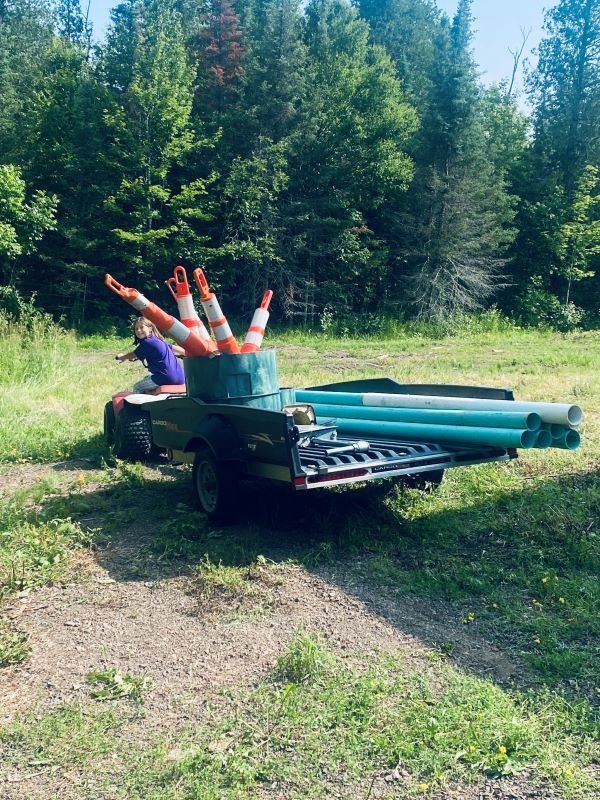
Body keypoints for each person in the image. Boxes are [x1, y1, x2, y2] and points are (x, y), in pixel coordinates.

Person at [116, 318, 185, 393]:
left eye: (142, 327)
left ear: (150, 328)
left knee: (137, 387)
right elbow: (175, 348)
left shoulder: (147, 343)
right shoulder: (158, 341)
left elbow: (133, 355)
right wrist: (188, 353)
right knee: (147, 378)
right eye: (136, 329)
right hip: (181, 378)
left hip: (166, 378)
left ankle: (137, 405)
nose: (139, 330)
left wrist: (122, 357)